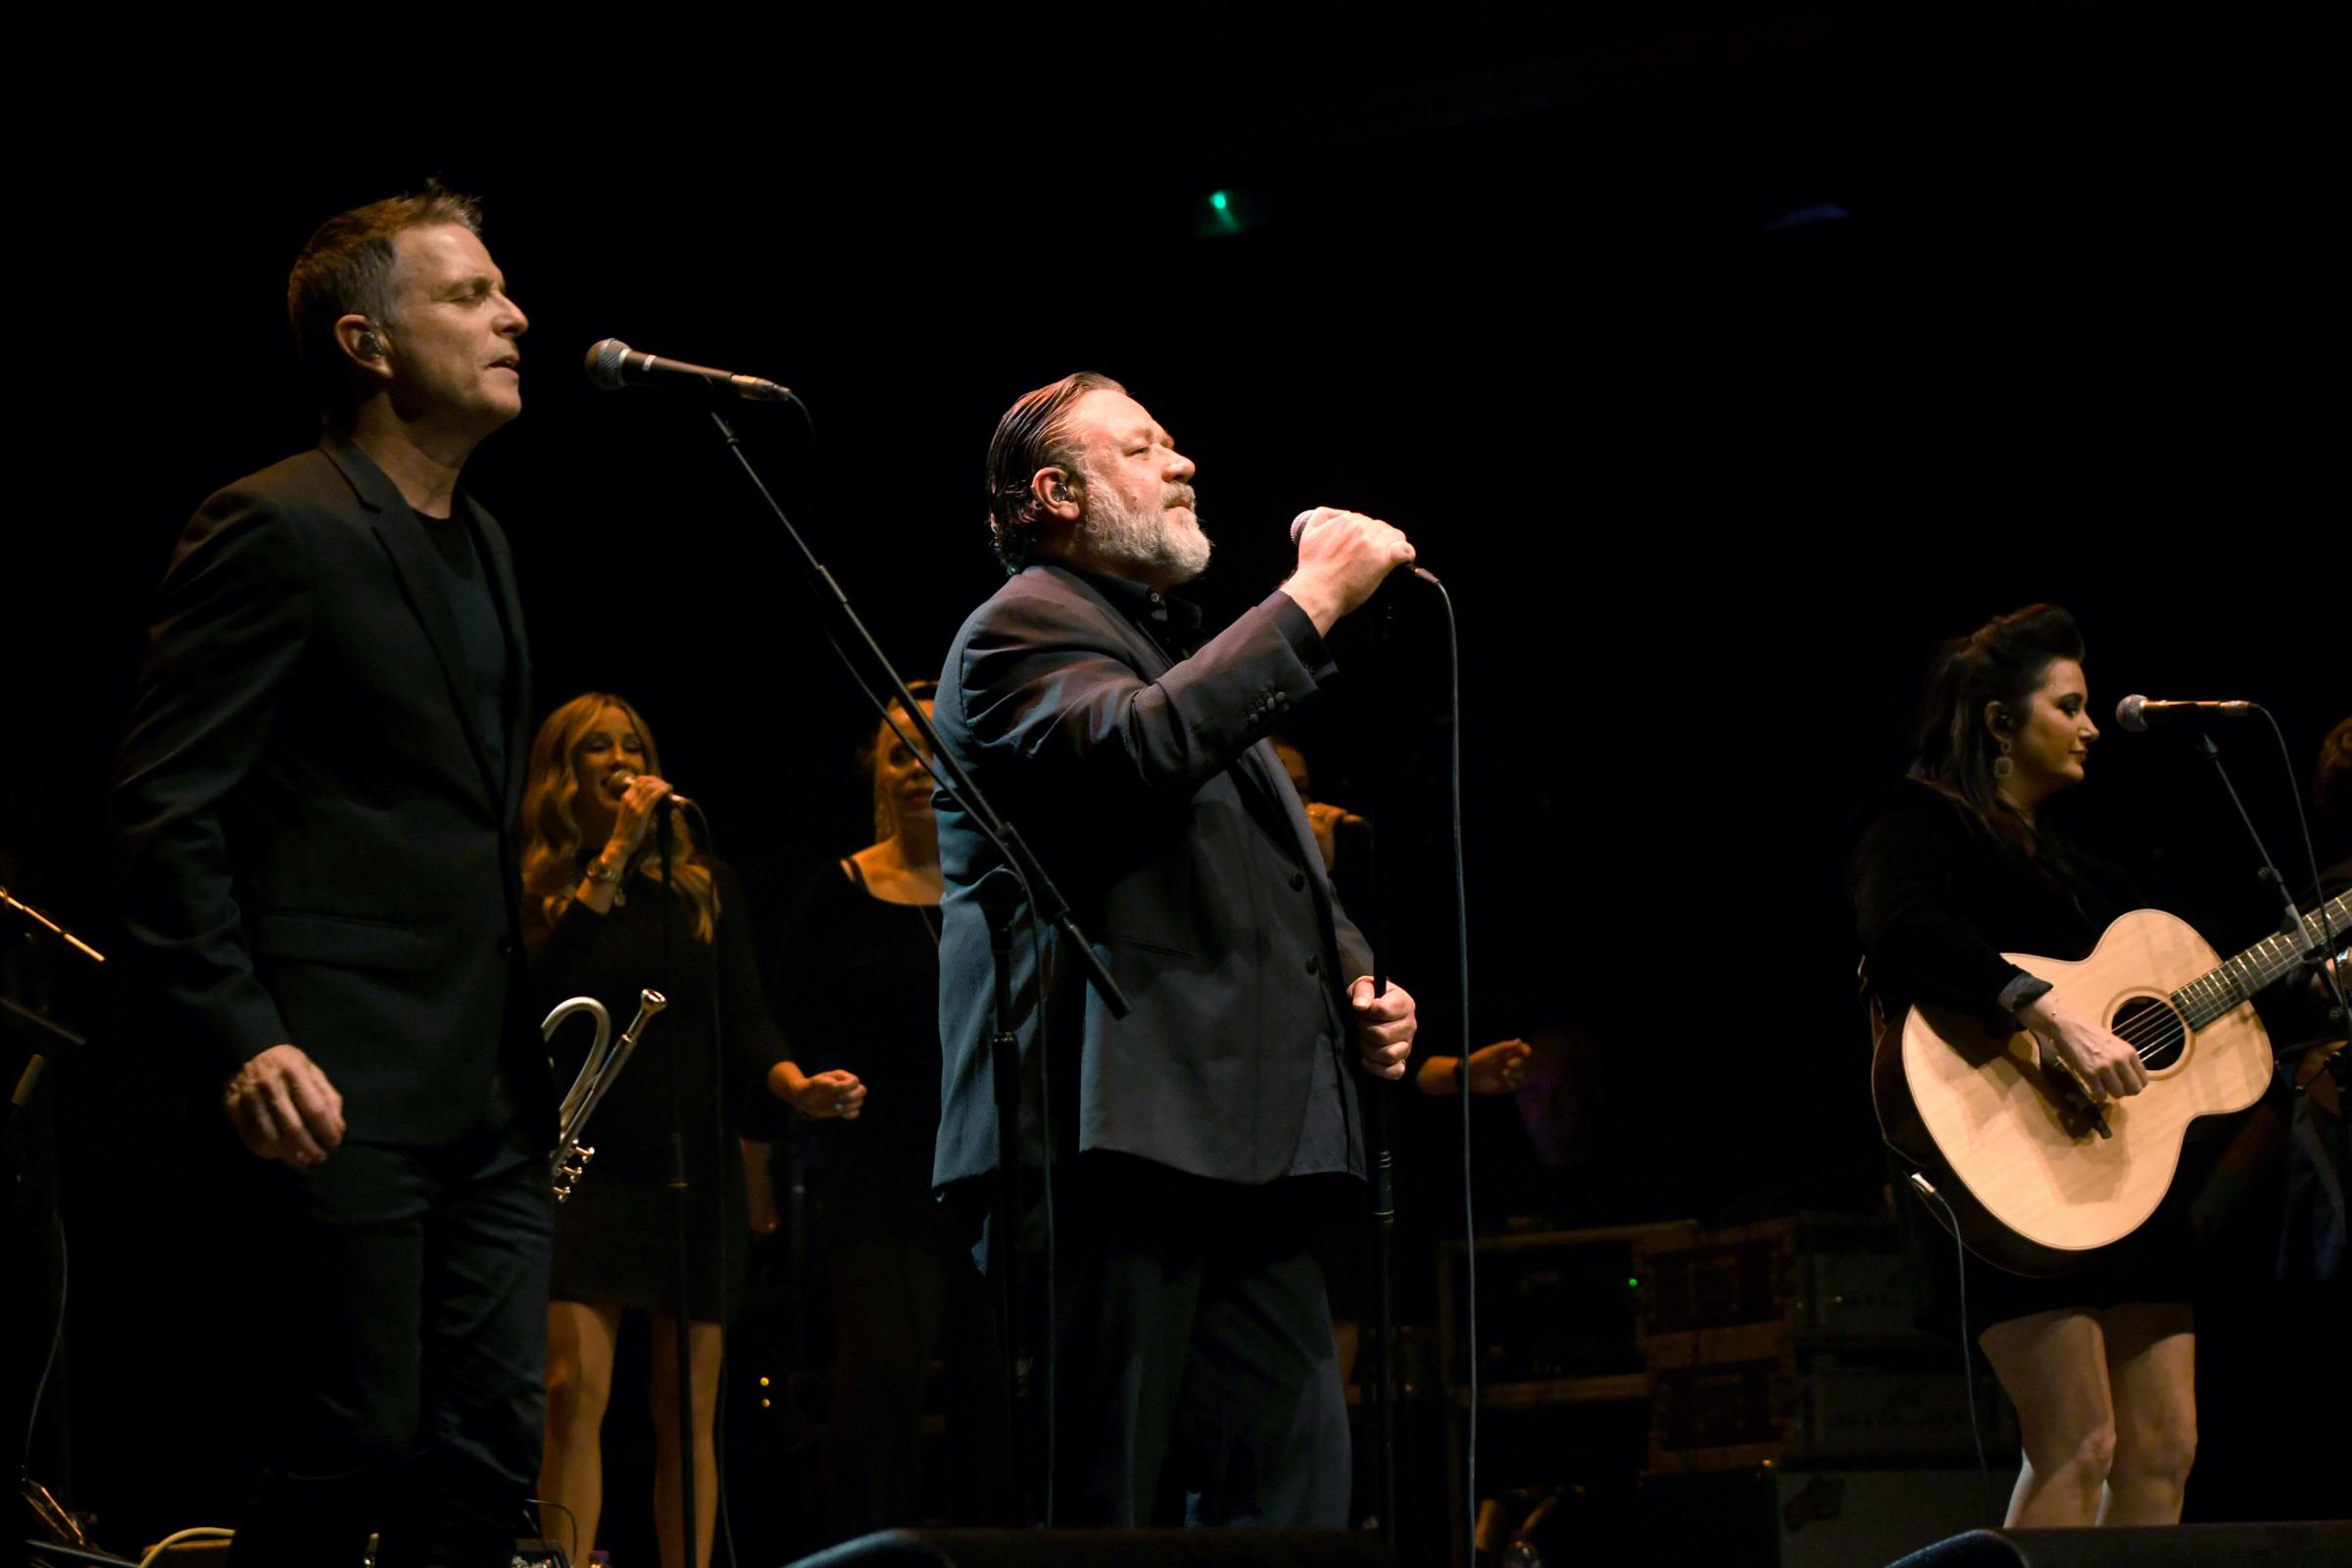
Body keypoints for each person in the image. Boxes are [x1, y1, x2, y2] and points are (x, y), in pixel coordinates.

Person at [111, 187, 552, 1564]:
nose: (513, 315)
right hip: (338, 1078)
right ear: (367, 342)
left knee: (490, 1462)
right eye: (469, 295)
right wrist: (245, 1039)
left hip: (487, 1089)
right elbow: (165, 808)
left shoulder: (482, 543)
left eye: (503, 289)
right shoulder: (276, 525)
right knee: (357, 1437)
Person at [932, 370, 1422, 1528]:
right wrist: (1310, 603)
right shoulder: (1021, 627)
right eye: (1142, 448)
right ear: (1053, 493)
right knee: (1107, 1497)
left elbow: (1272, 863)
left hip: (1230, 1146)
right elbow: (1132, 756)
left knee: (1295, 1493)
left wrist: (1355, 970)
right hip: (1103, 1144)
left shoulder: (1157, 647)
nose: (1182, 463)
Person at [1848, 604, 2196, 1528]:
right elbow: (1902, 926)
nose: (2091, 727)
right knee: (2081, 1443)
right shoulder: (1920, 817)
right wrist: (2045, 1012)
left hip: (2121, 1170)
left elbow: (2181, 1015)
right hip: (2006, 1159)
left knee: (2163, 1449)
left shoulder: (2090, 878)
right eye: (2069, 705)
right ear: (2002, 721)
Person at [520, 693, 862, 1568]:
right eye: (596, 746)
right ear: (564, 772)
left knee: (689, 1411)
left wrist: (797, 1088)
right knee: (572, 1392)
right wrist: (613, 859)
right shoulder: (541, 882)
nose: (620, 758)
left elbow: (744, 1018)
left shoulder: (702, 885)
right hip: (586, 1168)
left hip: (690, 1165)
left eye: (631, 743)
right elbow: (537, 996)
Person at [773, 683, 1005, 1539]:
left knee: (996, 1391)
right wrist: (807, 1085)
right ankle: (868, 1552)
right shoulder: (836, 896)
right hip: (879, 1177)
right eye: (900, 751)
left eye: (933, 749)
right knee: (884, 1377)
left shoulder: (996, 886)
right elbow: (781, 1025)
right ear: (876, 769)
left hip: (987, 1172)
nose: (917, 767)